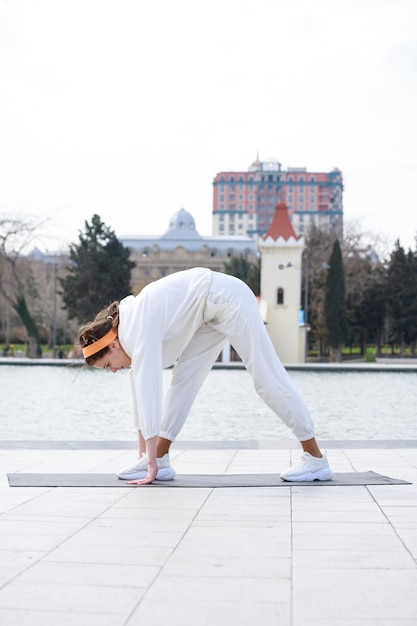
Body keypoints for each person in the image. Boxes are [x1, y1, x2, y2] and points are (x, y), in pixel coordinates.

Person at [76, 267, 333, 485]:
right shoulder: (130, 328)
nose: (112, 371)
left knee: (267, 378)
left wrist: (148, 464)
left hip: (229, 299)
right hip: (206, 313)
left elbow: (148, 389)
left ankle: (315, 459)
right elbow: (138, 389)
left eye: (107, 365)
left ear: (112, 345)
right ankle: (162, 459)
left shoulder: (136, 330)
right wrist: (146, 456)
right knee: (183, 381)